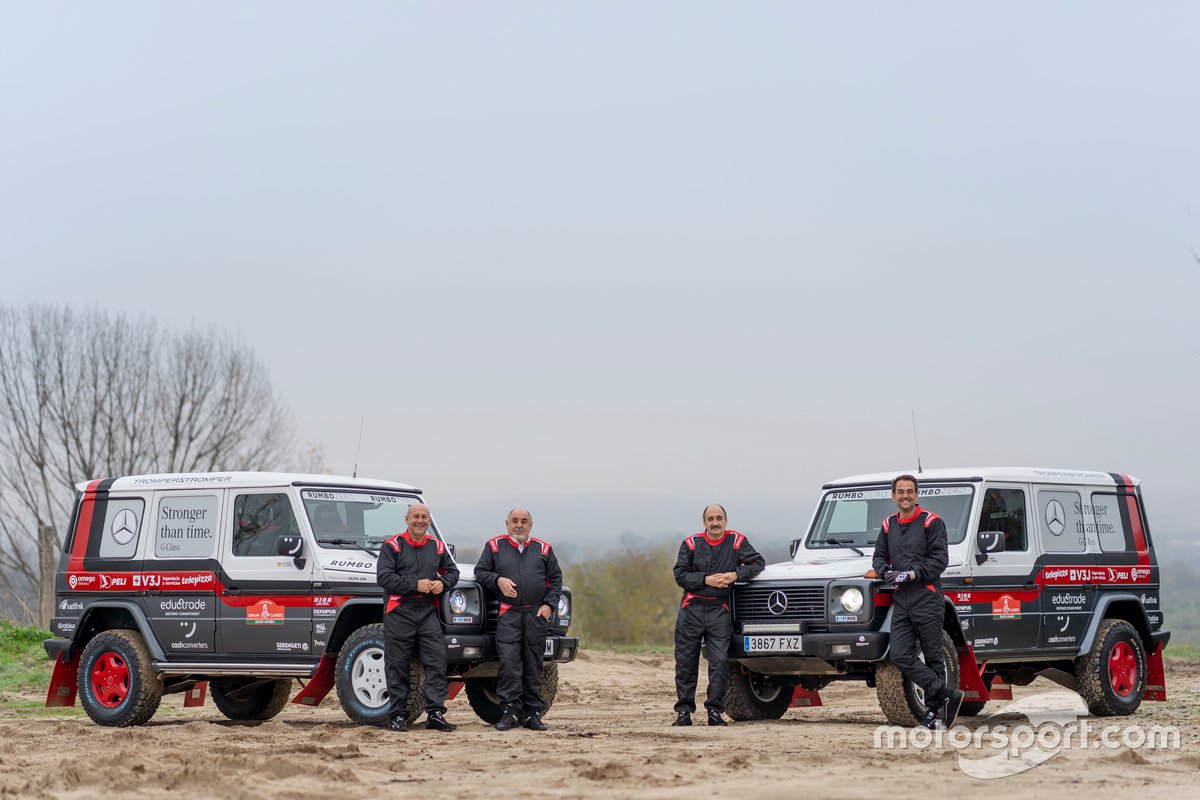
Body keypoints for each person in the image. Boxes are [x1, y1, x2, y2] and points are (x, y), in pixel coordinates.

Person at [871, 474, 964, 729]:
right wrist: (885, 571)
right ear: (893, 496)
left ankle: (933, 716)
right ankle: (946, 694)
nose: (905, 496)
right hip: (901, 599)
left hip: (927, 597)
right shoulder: (888, 525)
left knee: (934, 657)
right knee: (900, 655)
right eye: (900, 492)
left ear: (917, 495)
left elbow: (939, 560)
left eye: (910, 491)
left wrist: (912, 573)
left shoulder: (932, 522)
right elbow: (878, 556)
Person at [671, 504, 765, 726]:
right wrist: (706, 579)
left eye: (719, 518)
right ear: (704, 522)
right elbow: (680, 575)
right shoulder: (691, 543)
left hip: (719, 611)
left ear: (726, 521)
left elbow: (758, 563)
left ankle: (715, 712)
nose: (715, 522)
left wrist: (735, 574)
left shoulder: (737, 541)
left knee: (720, 663)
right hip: (691, 609)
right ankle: (684, 713)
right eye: (710, 518)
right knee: (685, 663)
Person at [474, 508, 563, 731]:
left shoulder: (543, 549)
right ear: (507, 524)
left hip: (535, 616)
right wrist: (498, 580)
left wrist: (548, 605)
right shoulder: (494, 546)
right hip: (509, 615)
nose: (519, 525)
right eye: (515, 521)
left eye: (524, 521)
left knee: (533, 665)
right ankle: (510, 712)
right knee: (509, 665)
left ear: (531, 525)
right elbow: (480, 572)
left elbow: (556, 579)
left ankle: (533, 713)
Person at [376, 502, 460, 732]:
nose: (420, 520)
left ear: (429, 521)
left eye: (424, 517)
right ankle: (398, 716)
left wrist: (441, 583)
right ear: (406, 520)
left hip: (426, 613)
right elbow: (383, 577)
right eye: (416, 516)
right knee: (397, 666)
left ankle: (435, 714)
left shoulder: (438, 547)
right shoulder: (392, 545)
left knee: (436, 661)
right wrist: (415, 585)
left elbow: (453, 573)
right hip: (398, 612)